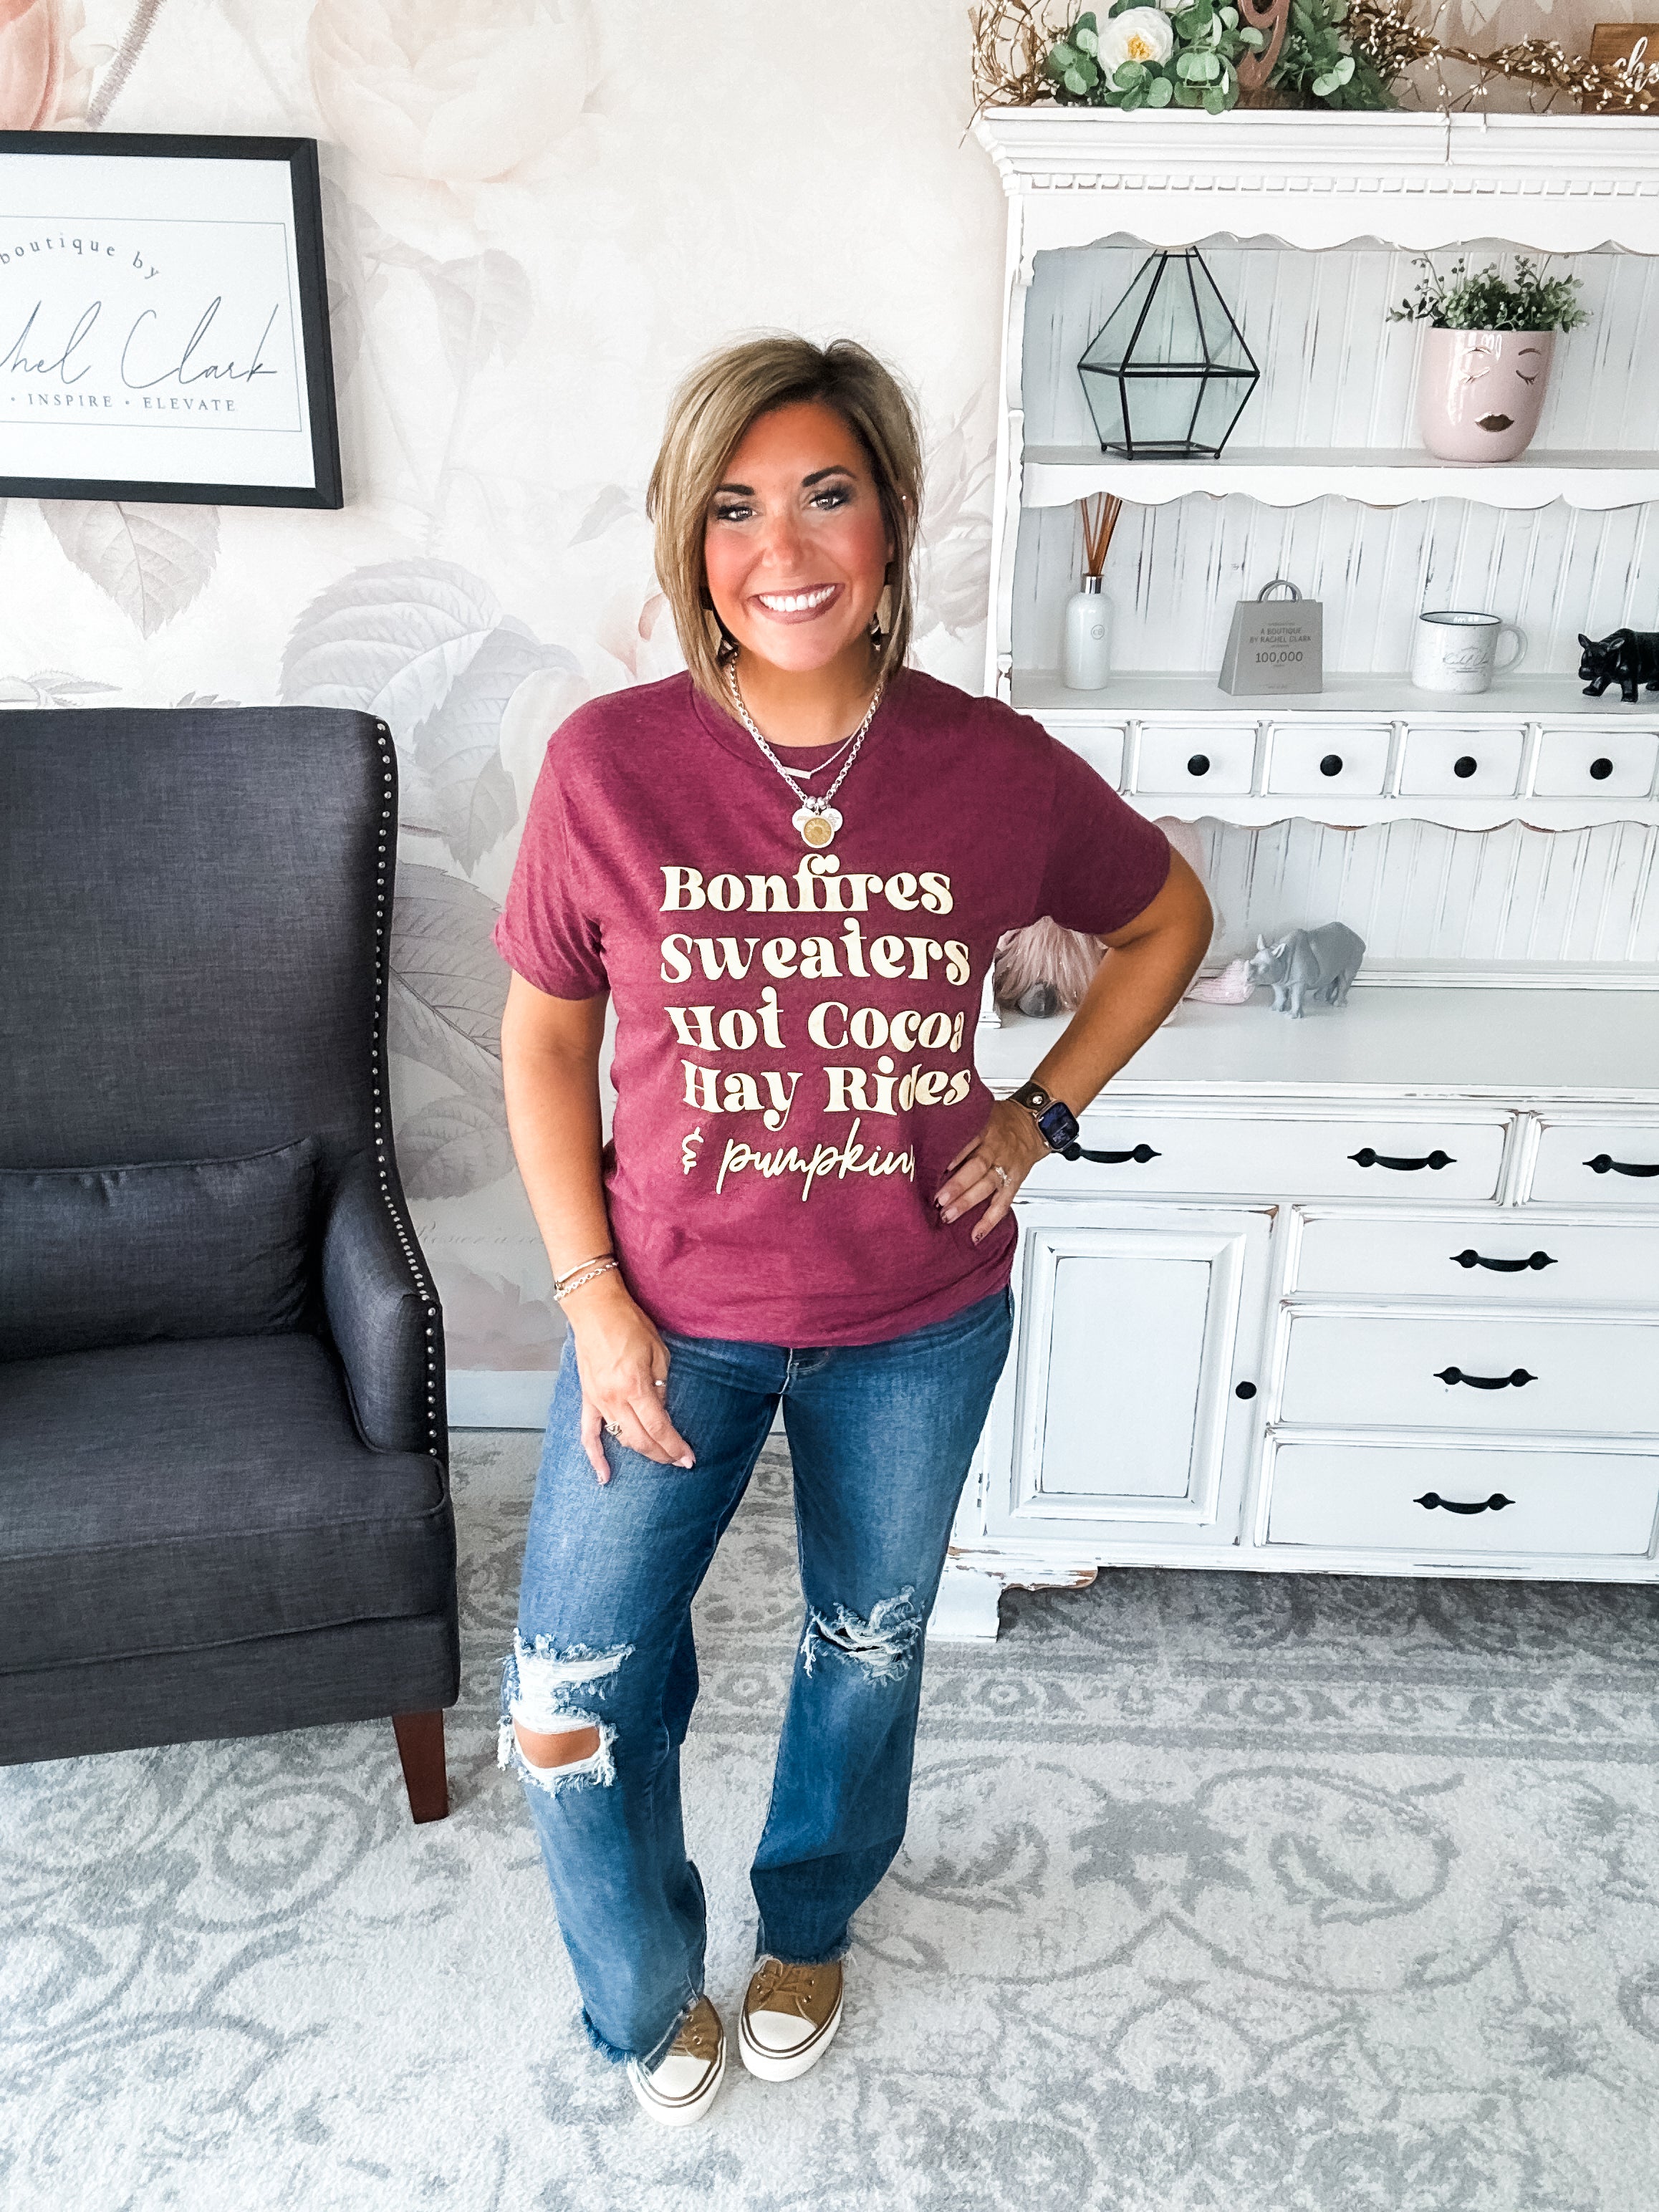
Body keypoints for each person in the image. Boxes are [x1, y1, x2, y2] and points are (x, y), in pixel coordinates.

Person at [492, 334, 1211, 2126]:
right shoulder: (612, 764)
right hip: (662, 1314)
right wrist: (590, 1296)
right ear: (690, 536)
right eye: (733, 506)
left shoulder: (991, 766)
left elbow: (1168, 915)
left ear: (888, 521)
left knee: (866, 1643)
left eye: (826, 493)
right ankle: (649, 1990)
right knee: (572, 1697)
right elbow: (546, 1030)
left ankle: (807, 1917)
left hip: (915, 1315)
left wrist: (1040, 1113)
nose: (782, 545)